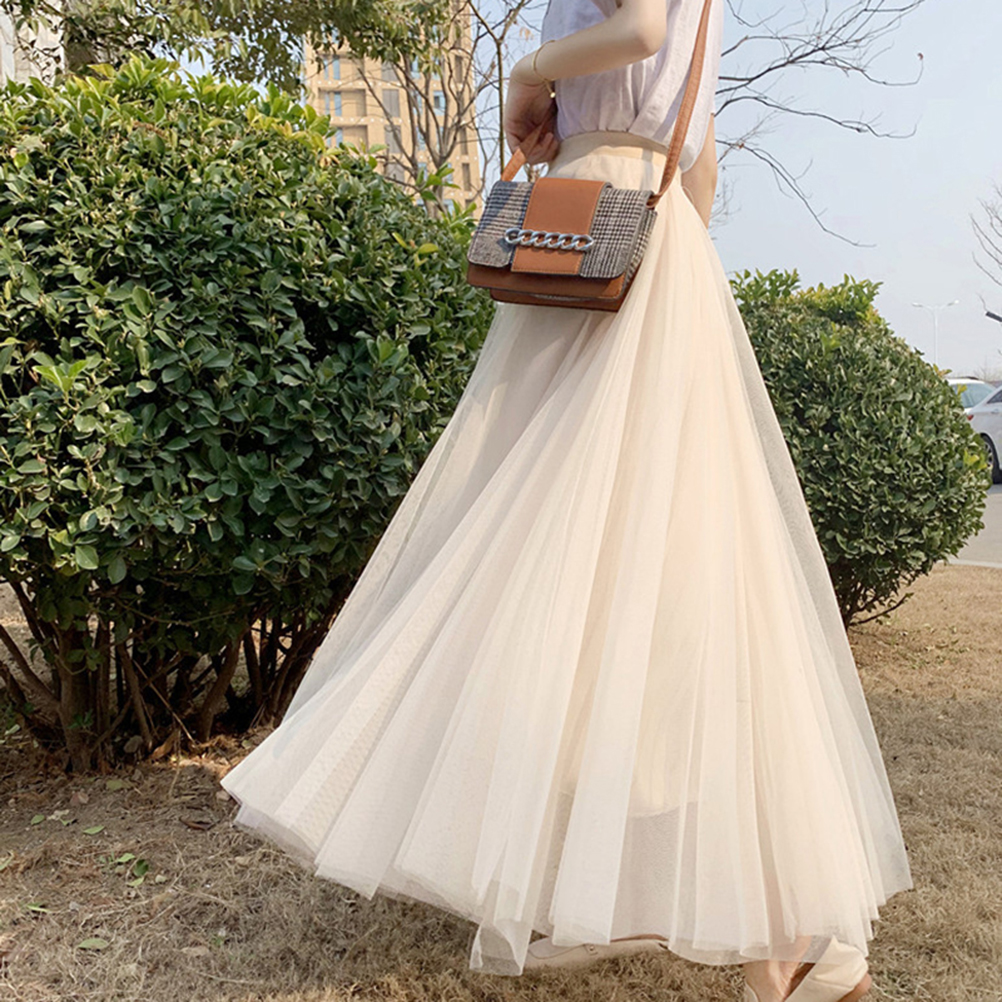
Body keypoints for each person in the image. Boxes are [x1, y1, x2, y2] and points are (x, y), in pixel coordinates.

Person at [219, 0, 914, 998]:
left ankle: (776, 932)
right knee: (661, 581)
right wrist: (669, 250)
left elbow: (636, 31)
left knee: (539, 552)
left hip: (593, 226)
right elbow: (701, 157)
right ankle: (748, 929)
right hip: (665, 239)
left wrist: (532, 74)